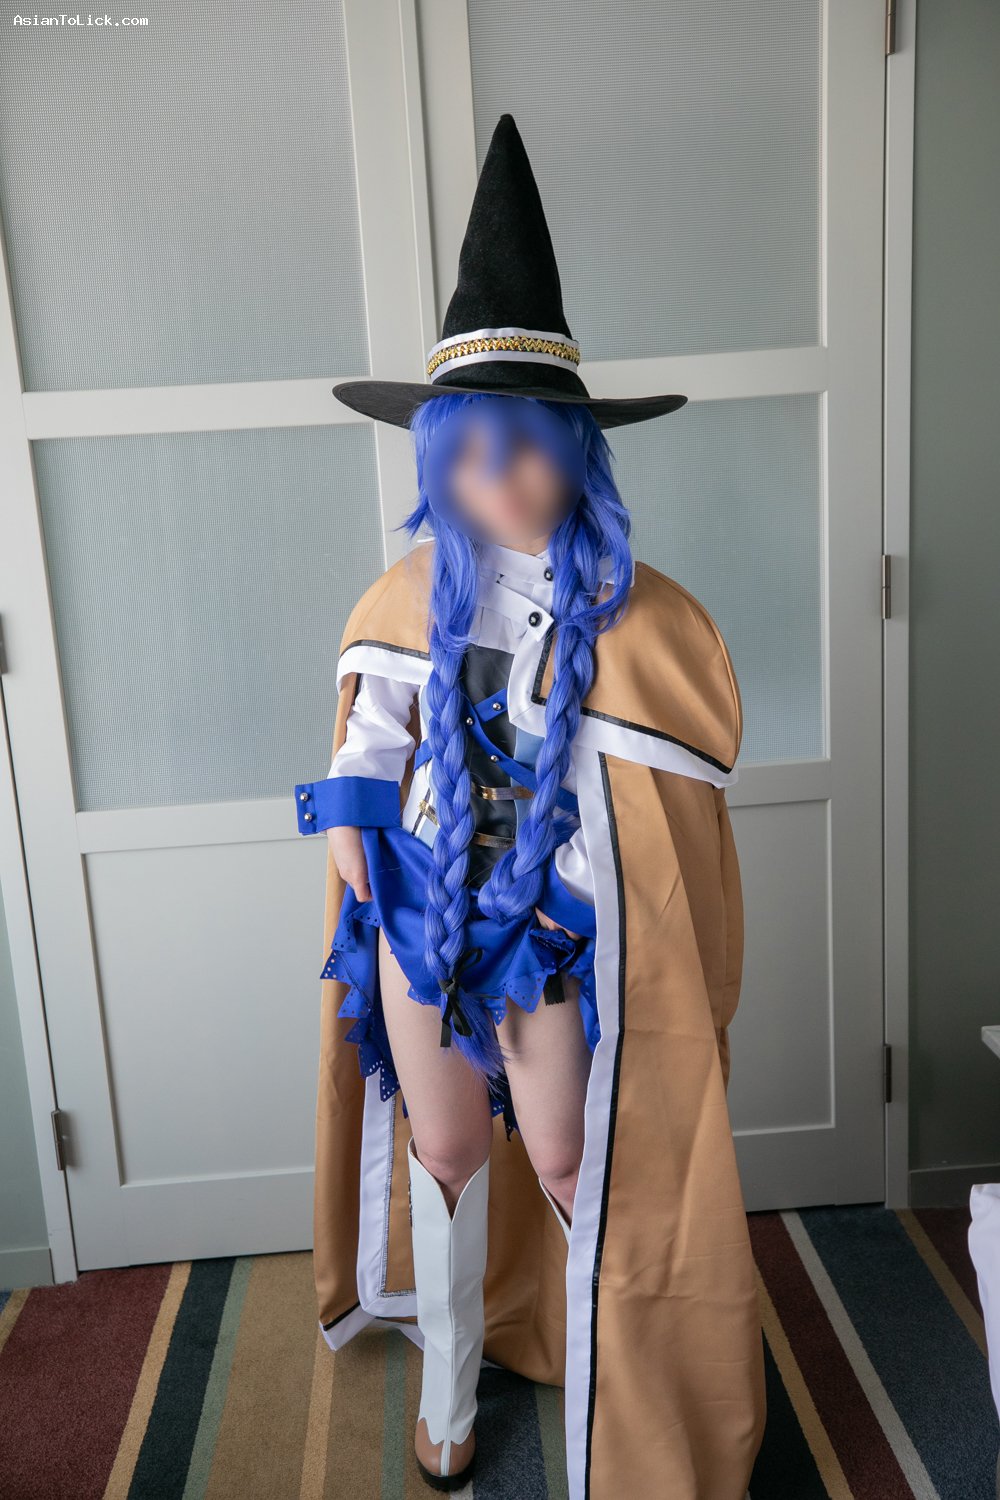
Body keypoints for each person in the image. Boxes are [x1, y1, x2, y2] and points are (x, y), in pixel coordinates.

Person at [294, 114, 765, 1499]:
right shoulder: (406, 595)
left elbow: (670, 825)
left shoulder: (647, 619)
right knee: (446, 1144)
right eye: (466, 452)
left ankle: (608, 1373)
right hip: (420, 908)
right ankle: (450, 1393)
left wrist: (587, 891)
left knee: (567, 1157)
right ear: (435, 457)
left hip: (555, 930)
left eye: (525, 447)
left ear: (577, 448)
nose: (496, 480)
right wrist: (352, 827)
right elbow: (369, 731)